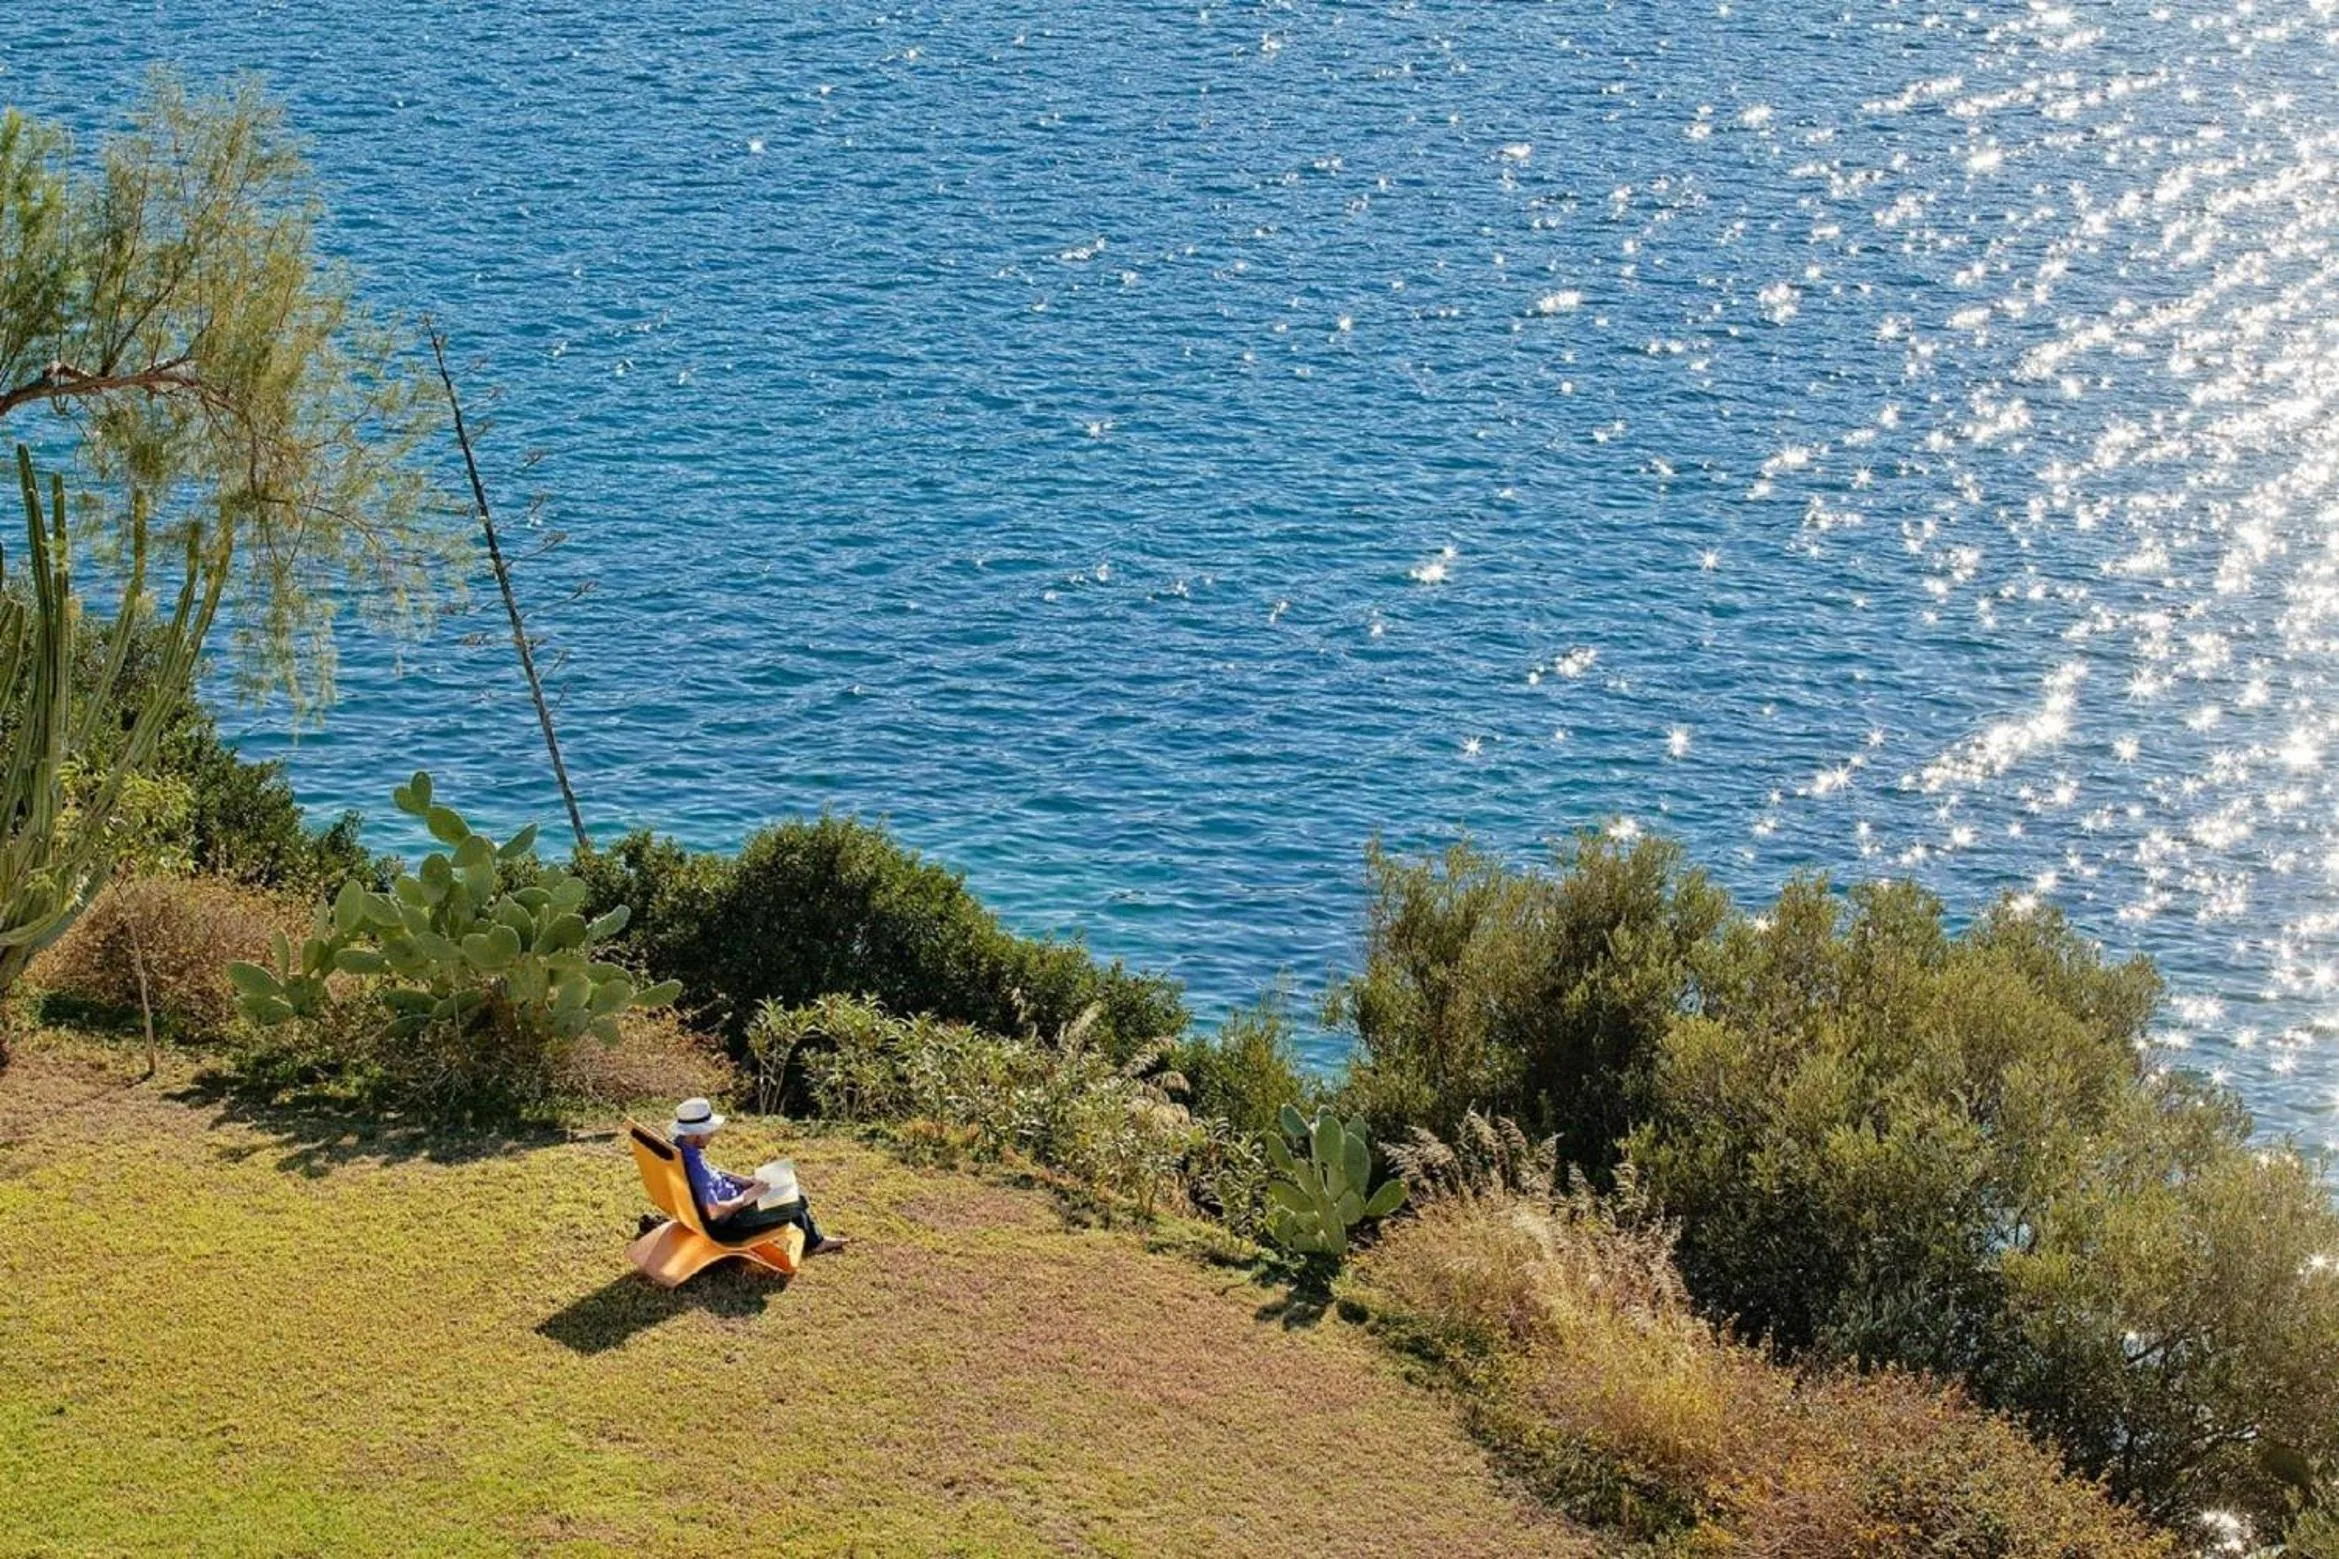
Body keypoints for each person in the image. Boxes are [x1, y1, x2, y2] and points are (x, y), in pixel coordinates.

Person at [667, 1097, 845, 1256]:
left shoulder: (682, 1148)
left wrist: (745, 1181)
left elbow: (712, 1172)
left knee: (782, 1176)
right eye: (709, 1130)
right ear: (696, 1133)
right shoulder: (695, 1168)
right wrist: (748, 1196)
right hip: (731, 1223)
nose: (713, 1134)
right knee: (798, 1198)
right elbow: (714, 1212)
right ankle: (816, 1243)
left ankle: (815, 1240)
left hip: (734, 1199)